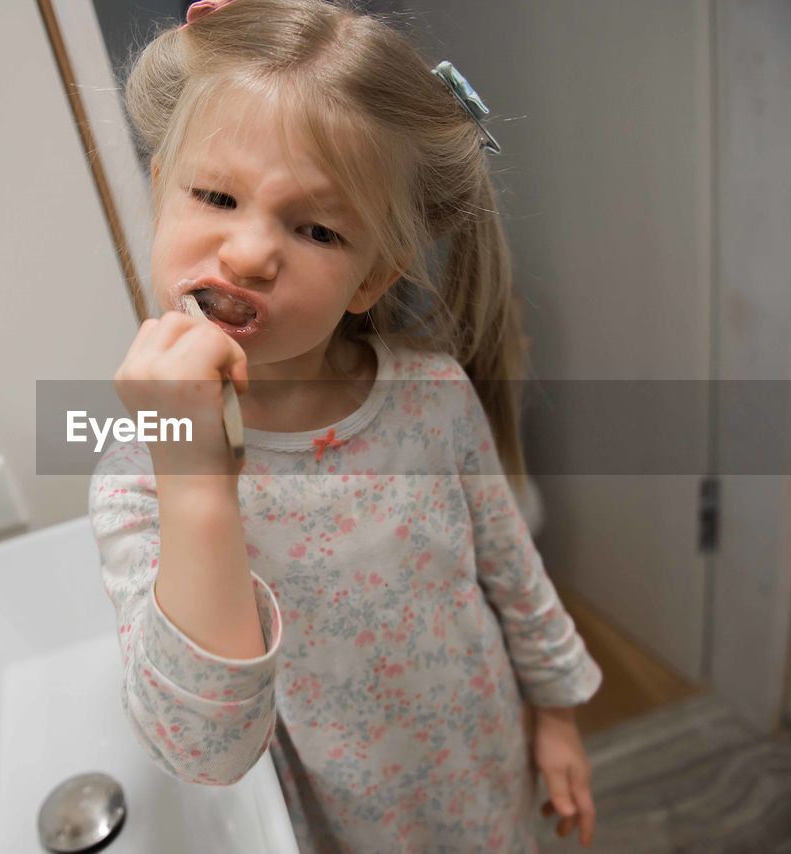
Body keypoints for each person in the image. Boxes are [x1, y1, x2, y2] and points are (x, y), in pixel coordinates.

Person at [88, 1, 601, 850]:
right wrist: (192, 469)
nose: (250, 254)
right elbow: (204, 750)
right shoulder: (139, 474)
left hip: (480, 764)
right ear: (160, 193)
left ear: (371, 278)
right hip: (339, 821)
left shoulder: (431, 397)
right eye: (216, 194)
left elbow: (513, 573)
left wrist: (556, 716)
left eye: (318, 229)